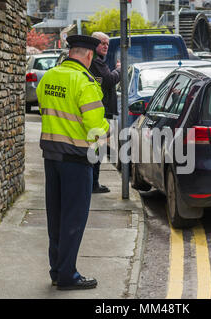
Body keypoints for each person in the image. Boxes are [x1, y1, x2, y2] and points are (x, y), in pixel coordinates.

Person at [36, 34, 109, 291]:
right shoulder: (85, 83)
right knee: (73, 220)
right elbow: (95, 130)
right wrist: (106, 129)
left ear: (71, 52)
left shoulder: (49, 77)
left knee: (55, 217)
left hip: (51, 157)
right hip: (76, 161)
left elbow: (44, 108)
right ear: (88, 55)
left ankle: (57, 270)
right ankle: (68, 276)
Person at [89, 32, 121, 194]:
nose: (105, 46)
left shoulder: (97, 60)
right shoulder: (96, 61)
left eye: (107, 43)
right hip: (100, 112)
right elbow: (109, 80)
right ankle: (93, 184)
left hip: (100, 111)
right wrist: (119, 71)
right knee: (97, 149)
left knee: (98, 149)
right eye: (102, 43)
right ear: (94, 44)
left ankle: (93, 183)